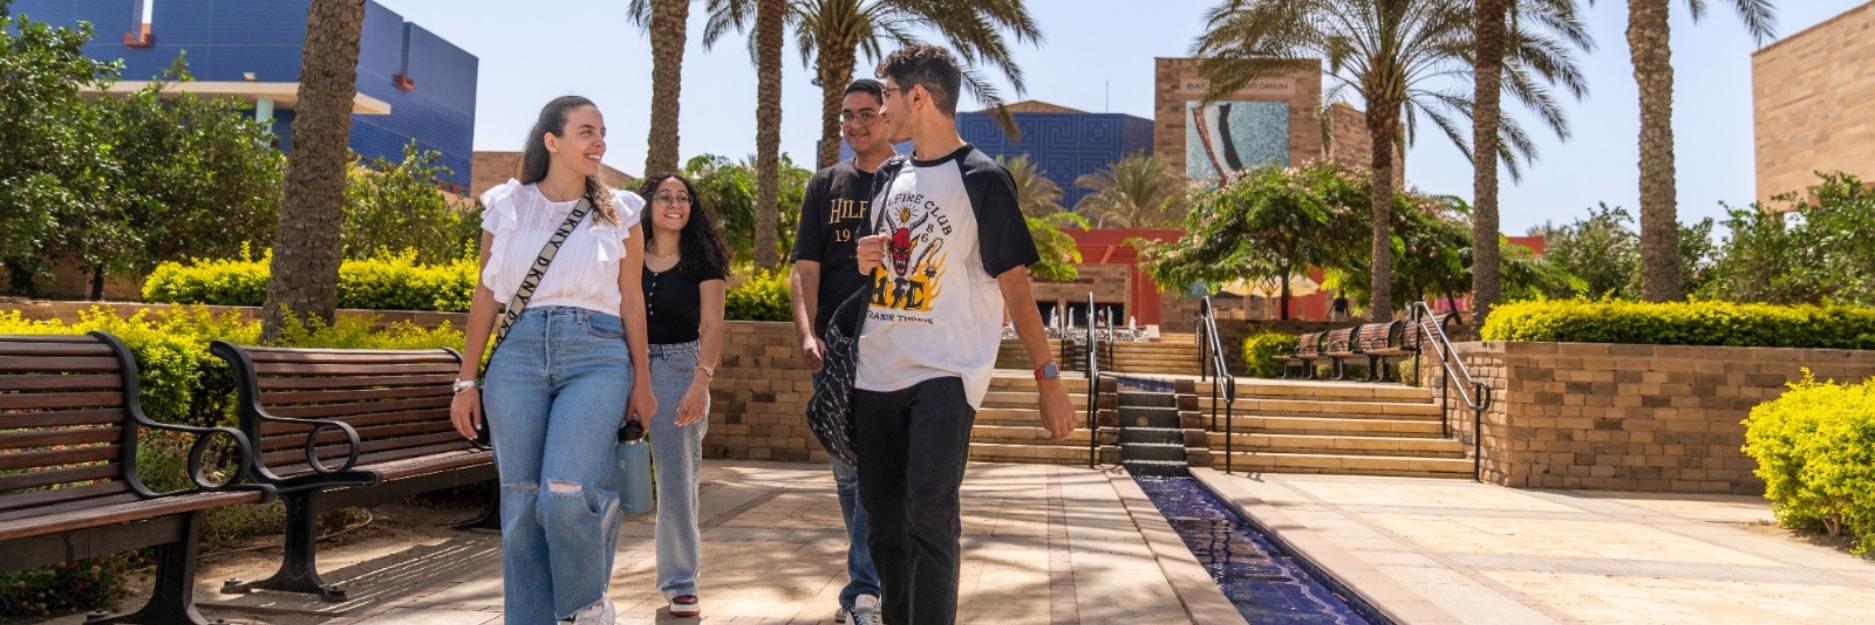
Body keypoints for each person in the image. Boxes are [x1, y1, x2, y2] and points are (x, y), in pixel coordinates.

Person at [851, 45, 1076, 625]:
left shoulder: (983, 180)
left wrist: (1049, 379)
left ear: (918, 97)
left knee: (929, 517)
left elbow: (1016, 288)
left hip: (945, 374)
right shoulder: (889, 177)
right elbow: (880, 270)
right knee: (884, 525)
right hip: (876, 373)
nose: (880, 110)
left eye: (887, 97)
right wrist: (866, 257)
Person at [448, 95, 654, 625]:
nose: (599, 141)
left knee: (564, 492)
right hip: (516, 358)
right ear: (552, 141)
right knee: (520, 503)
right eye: (587, 131)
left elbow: (632, 300)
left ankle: (587, 608)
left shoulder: (621, 210)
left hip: (597, 355)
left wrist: (643, 382)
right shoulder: (507, 205)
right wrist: (466, 382)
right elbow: (485, 295)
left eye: (602, 132)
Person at [788, 78, 893, 625]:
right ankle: (872, 582)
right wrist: (808, 333)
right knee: (847, 472)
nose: (855, 124)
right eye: (847, 116)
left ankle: (865, 590)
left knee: (875, 469)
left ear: (889, 116)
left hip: (895, 344)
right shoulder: (824, 185)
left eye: (866, 113)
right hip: (836, 350)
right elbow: (804, 269)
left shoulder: (911, 180)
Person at [636, 172, 729, 618]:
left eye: (683, 197)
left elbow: (712, 325)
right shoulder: (627, 252)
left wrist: (700, 381)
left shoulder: (703, 260)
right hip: (625, 365)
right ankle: (590, 585)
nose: (675, 204)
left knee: (676, 482)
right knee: (601, 475)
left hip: (680, 369)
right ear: (648, 205)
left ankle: (680, 583)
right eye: (664, 196)